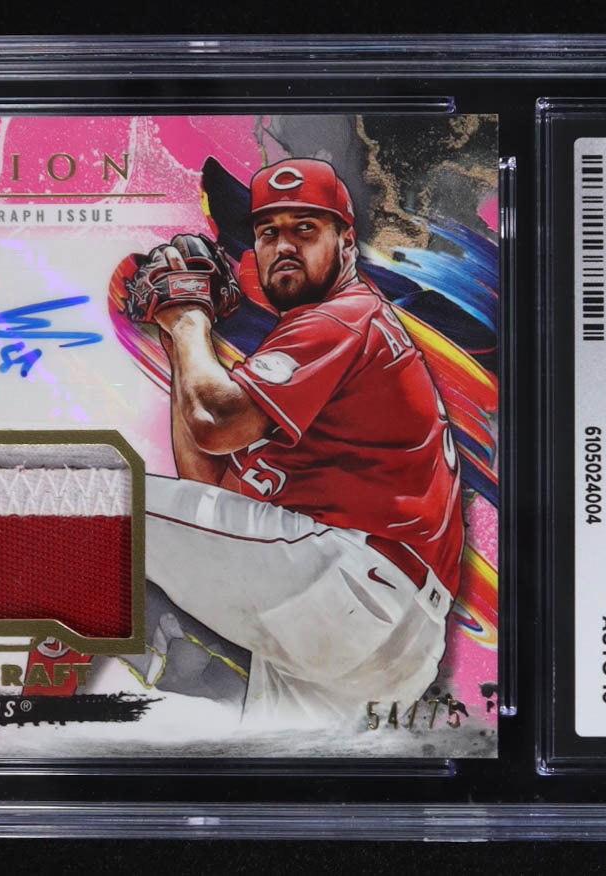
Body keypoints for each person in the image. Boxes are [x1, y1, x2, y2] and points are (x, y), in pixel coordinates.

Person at [140, 157, 465, 724]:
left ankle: (36, 711)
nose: (283, 245)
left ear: (346, 241)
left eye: (305, 228)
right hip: (385, 645)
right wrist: (178, 341)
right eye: (268, 232)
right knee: (272, 759)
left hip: (351, 582)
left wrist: (190, 317)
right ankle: (188, 675)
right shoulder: (309, 354)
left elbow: (216, 422)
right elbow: (207, 486)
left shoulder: (342, 317)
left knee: (90, 508)